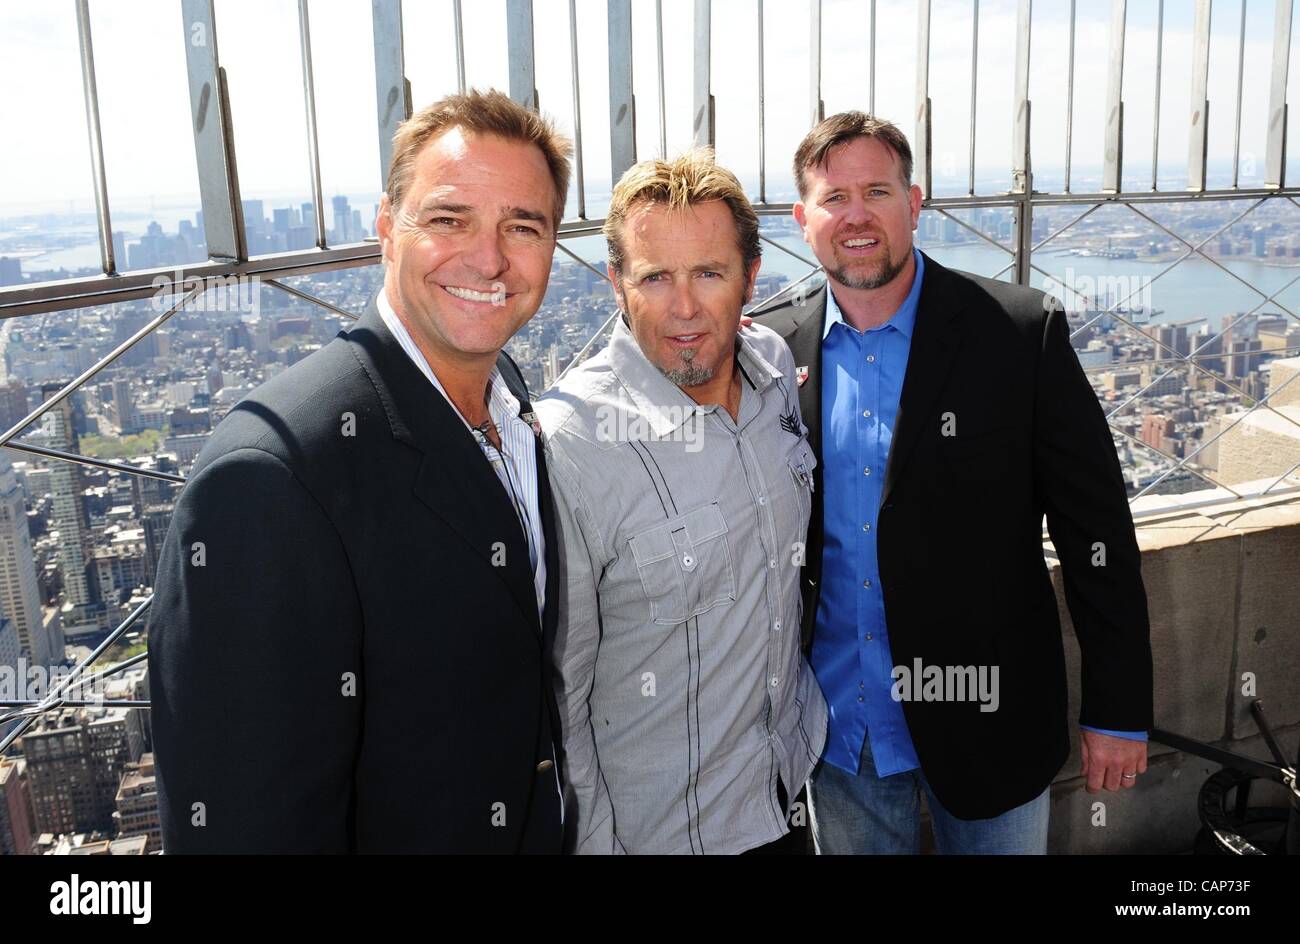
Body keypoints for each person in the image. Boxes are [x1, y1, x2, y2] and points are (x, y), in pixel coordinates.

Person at [148, 90, 573, 853]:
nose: (489, 258)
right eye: (449, 219)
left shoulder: (509, 401)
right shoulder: (269, 478)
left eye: (523, 226)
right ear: (386, 228)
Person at [752, 111, 1153, 855]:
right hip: (838, 732)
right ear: (801, 218)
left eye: (877, 190)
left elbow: (1095, 530)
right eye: (834, 198)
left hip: (992, 718)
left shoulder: (1018, 332)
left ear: (916, 201)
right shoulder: (770, 347)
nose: (857, 215)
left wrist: (1118, 710)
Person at [538, 149, 827, 854]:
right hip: (663, 835)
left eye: (709, 273)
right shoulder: (569, 444)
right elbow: (559, 696)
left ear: (750, 279)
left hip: (788, 793)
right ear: (617, 284)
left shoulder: (773, 382)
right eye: (655, 277)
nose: (686, 308)